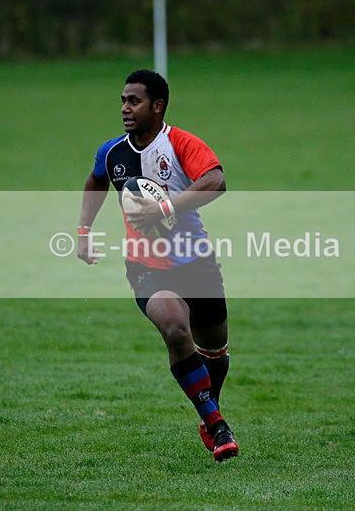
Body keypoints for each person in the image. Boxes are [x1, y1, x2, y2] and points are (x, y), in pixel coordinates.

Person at [76, 69, 238, 462]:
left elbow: (216, 181)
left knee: (214, 351)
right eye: (122, 101)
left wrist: (165, 206)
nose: (125, 108)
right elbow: (96, 180)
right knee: (173, 325)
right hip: (146, 265)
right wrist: (83, 229)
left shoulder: (181, 143)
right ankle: (217, 426)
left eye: (134, 101)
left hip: (196, 261)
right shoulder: (112, 152)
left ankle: (207, 409)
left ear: (157, 105)